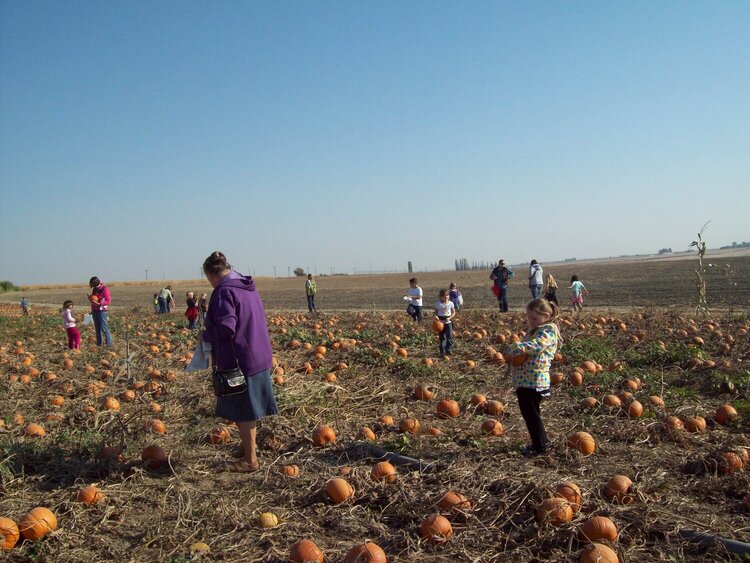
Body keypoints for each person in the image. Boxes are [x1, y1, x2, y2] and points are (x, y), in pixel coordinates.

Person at [201, 251, 278, 473]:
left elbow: (226, 327)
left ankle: (250, 460)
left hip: (241, 359)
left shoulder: (224, 292)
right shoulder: (246, 286)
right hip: (258, 353)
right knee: (246, 408)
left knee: (244, 410)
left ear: (211, 274)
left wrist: (206, 335)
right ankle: (247, 448)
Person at [506, 298, 561, 456]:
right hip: (525, 381)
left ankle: (540, 448)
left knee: (531, 415)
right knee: (530, 414)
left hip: (535, 380)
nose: (531, 321)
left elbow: (537, 345)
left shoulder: (549, 329)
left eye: (535, 318)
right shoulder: (535, 330)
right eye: (529, 318)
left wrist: (516, 347)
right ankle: (540, 443)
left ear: (547, 315)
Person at [88, 276, 112, 346]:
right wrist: (89, 297)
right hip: (95, 310)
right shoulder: (95, 289)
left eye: (93, 285)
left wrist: (100, 304)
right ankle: (99, 345)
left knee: (104, 328)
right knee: (97, 329)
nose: (92, 287)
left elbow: (108, 301)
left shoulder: (104, 289)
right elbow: (93, 299)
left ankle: (109, 345)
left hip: (102, 311)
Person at [434, 289, 456, 357]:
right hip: (440, 322)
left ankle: (448, 349)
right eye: (444, 296)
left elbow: (453, 312)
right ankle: (442, 350)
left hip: (448, 321)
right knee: (442, 337)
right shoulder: (438, 303)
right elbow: (436, 312)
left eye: (447, 295)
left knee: (449, 336)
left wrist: (450, 318)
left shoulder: (451, 303)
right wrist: (436, 316)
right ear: (441, 297)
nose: (446, 297)